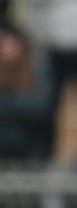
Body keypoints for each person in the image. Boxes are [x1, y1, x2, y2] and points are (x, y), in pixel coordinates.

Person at [0, 28, 56, 159]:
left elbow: (41, 107)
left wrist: (7, 102)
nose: (6, 51)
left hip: (30, 149)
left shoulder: (37, 71)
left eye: (11, 45)